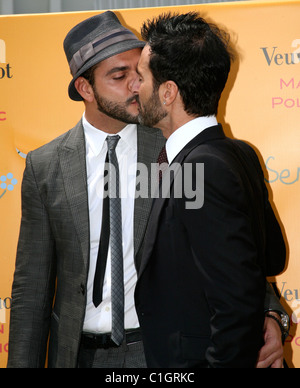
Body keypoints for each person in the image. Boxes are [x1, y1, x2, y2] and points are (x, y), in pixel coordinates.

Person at [7, 11, 287, 369]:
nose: (135, 86)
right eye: (119, 76)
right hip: (77, 354)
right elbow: (32, 288)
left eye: (138, 73)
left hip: (159, 353)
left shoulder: (173, 146)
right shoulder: (46, 166)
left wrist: (270, 314)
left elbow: (231, 245)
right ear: (85, 88)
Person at [134, 12, 288, 368]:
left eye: (141, 77)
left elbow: (234, 305)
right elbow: (270, 257)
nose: (134, 87)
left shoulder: (200, 167)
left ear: (168, 92)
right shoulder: (238, 153)